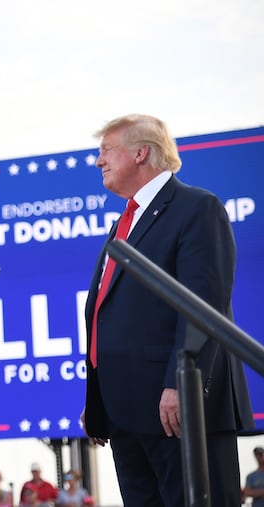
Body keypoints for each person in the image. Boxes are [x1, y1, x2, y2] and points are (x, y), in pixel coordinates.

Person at [80, 114, 254, 506]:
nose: (98, 161)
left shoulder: (196, 207)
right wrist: (98, 397)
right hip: (126, 413)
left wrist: (179, 382)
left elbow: (202, 302)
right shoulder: (124, 222)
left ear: (141, 152)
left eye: (106, 150)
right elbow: (109, 313)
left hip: (178, 410)